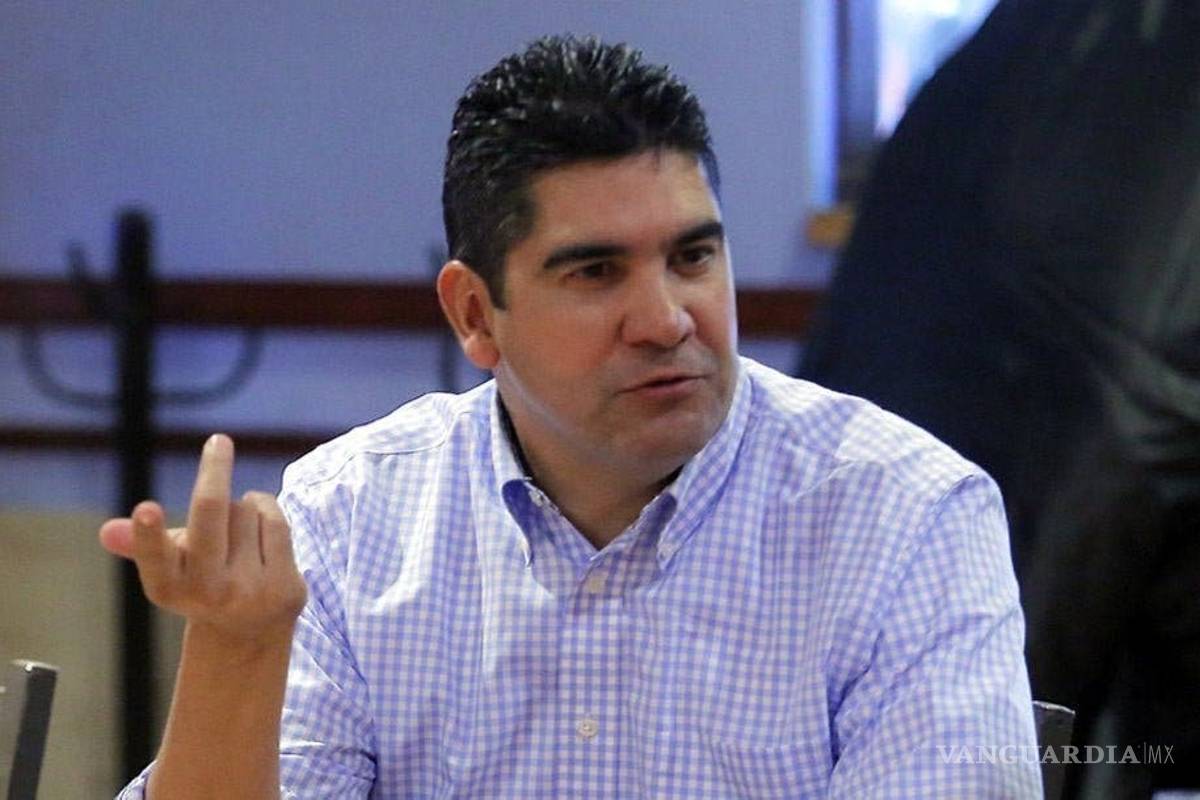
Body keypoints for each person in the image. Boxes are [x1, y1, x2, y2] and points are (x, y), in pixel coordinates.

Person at [104, 35, 1039, 798]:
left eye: (693, 257)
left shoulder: (908, 517)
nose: (667, 320)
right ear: (475, 314)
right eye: (596, 272)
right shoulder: (350, 519)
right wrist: (237, 650)